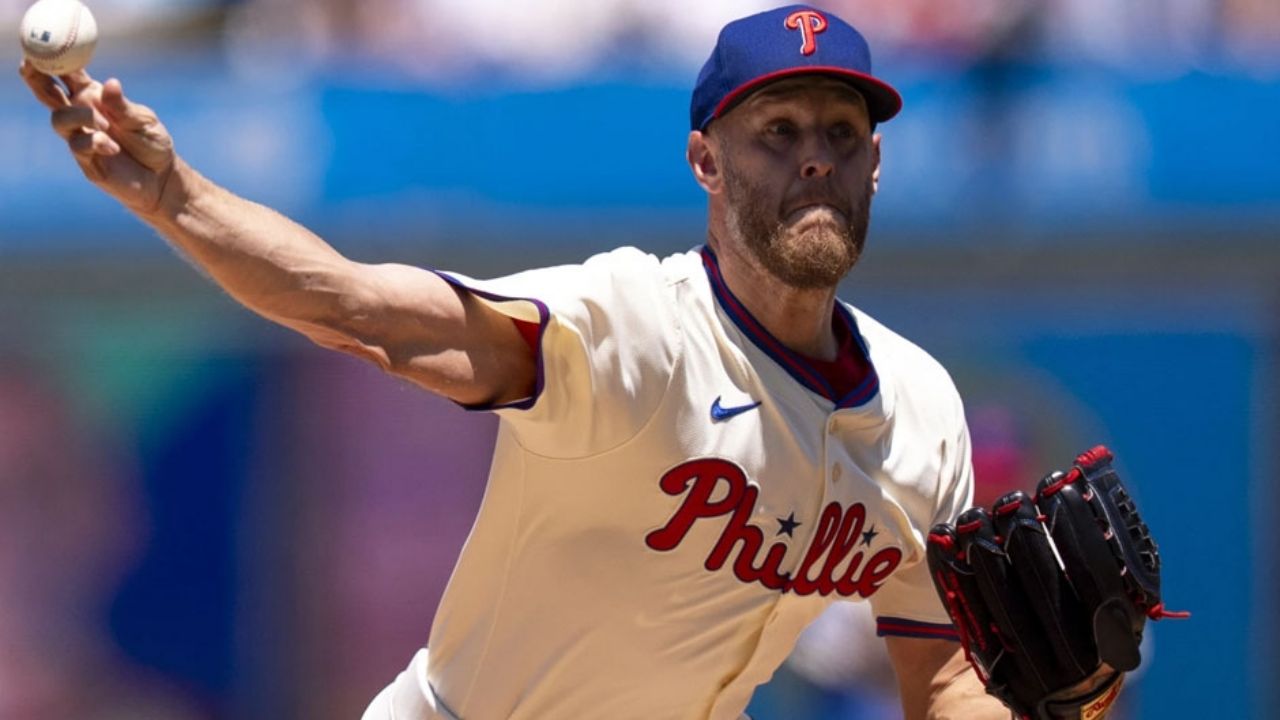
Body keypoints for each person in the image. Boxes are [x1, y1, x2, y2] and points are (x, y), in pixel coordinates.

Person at [21, 5, 1120, 719]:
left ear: (875, 162)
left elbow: (939, 673)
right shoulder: (627, 328)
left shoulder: (922, 411)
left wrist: (1059, 702)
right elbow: (355, 308)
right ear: (705, 161)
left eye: (839, 133)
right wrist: (176, 198)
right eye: (776, 134)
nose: (813, 160)